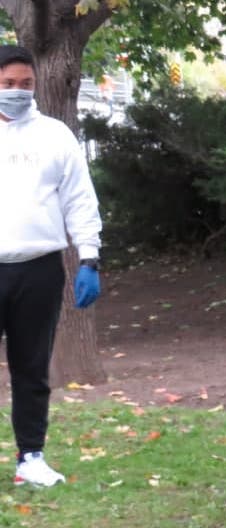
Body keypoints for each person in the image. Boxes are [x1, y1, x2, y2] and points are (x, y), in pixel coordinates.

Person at [0, 45, 103, 487]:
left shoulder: (55, 135)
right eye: (7, 84)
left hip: (38, 268)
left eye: (25, 84)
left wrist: (89, 257)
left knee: (31, 366)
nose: (17, 92)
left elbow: (79, 197)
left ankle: (31, 457)